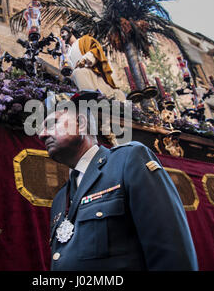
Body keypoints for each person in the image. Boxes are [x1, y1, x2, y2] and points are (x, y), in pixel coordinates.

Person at [38, 93, 198, 270]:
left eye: (52, 124)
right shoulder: (61, 199)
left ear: (81, 124)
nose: (42, 134)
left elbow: (171, 250)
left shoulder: (128, 160)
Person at [60, 26, 126, 102]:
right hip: (77, 78)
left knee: (78, 72)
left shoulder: (84, 40)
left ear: (70, 30)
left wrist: (85, 59)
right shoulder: (68, 52)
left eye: (62, 32)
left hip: (90, 71)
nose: (62, 35)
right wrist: (64, 54)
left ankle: (90, 95)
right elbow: (68, 69)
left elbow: (96, 50)